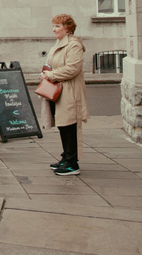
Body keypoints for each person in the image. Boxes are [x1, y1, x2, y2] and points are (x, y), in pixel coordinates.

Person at [40, 14, 89, 176]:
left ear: (67, 28)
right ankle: (66, 157)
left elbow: (72, 69)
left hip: (70, 92)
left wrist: (50, 75)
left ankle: (72, 163)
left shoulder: (74, 45)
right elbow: (51, 64)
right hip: (58, 91)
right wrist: (45, 73)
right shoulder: (58, 44)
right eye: (53, 26)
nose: (54, 29)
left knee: (70, 126)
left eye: (57, 26)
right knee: (62, 124)